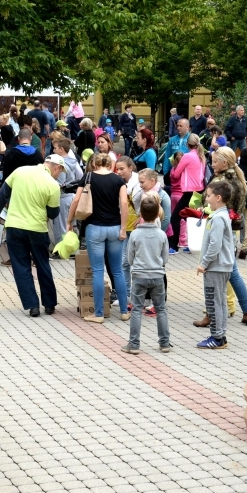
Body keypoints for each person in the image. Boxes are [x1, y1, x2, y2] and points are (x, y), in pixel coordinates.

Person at [0, 157, 65, 316]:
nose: (59, 175)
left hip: (14, 227)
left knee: (21, 267)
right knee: (42, 265)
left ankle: (32, 306)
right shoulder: (52, 185)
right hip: (37, 229)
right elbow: (53, 213)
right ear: (56, 167)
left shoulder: (19, 172)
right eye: (61, 172)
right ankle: (49, 305)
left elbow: (2, 194)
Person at [193, 147, 247, 326]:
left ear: (224, 162)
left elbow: (207, 201)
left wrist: (200, 205)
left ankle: (211, 314)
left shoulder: (220, 181)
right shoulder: (238, 177)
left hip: (218, 225)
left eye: (214, 161)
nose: (212, 164)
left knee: (212, 270)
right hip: (233, 228)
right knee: (233, 272)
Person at [66, 152, 129, 323]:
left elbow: (76, 200)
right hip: (115, 227)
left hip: (94, 228)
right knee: (117, 271)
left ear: (94, 164)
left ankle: (99, 314)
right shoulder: (118, 180)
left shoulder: (88, 177)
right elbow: (124, 203)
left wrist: (69, 221)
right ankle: (124, 311)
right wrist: (123, 228)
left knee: (98, 271)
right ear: (111, 165)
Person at [121, 194, 171, 354]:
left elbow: (129, 258)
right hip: (157, 276)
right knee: (161, 309)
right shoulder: (162, 235)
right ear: (158, 214)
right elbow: (165, 258)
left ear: (140, 214)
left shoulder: (135, 234)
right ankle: (164, 343)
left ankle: (134, 344)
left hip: (139, 276)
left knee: (136, 309)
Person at [196, 180, 237, 349]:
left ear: (218, 198)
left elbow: (215, 245)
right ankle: (220, 335)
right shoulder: (221, 215)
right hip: (220, 266)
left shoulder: (219, 218)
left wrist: (204, 263)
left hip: (216, 266)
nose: (206, 199)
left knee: (213, 302)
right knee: (219, 301)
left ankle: (217, 337)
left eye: (209, 195)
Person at [168, 133, 206, 253]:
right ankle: (193, 244)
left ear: (187, 144)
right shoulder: (201, 156)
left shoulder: (187, 156)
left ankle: (174, 246)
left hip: (189, 191)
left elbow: (175, 174)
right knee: (193, 216)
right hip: (200, 189)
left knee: (175, 217)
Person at [50, 137, 82, 253]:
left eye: (55, 148)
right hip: (71, 197)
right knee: (71, 226)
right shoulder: (73, 162)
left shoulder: (61, 165)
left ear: (61, 149)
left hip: (63, 198)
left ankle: (61, 251)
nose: (53, 151)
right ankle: (73, 249)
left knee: (61, 227)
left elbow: (58, 184)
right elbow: (80, 176)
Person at [116, 156, 141, 298]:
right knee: (124, 262)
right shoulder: (116, 182)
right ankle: (126, 295)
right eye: (117, 169)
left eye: (122, 169)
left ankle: (138, 295)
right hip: (124, 227)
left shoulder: (139, 182)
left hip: (138, 228)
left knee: (136, 263)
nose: (118, 172)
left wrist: (143, 217)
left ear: (130, 168)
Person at [161, 119, 190, 187]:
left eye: (181, 126)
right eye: (177, 126)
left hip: (186, 172)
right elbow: (167, 156)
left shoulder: (191, 139)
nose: (178, 128)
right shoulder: (172, 140)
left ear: (187, 127)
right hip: (173, 171)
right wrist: (165, 172)